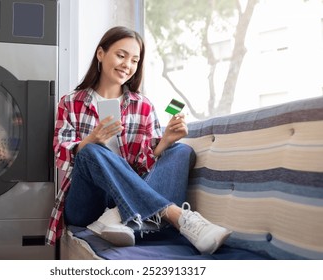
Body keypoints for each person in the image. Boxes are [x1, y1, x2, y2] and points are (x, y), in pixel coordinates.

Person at [46, 26, 231, 254]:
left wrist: (164, 142)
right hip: (87, 203)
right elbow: (60, 155)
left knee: (182, 151)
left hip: (125, 196)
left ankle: (116, 218)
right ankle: (178, 216)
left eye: (134, 60)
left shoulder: (142, 105)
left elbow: (143, 168)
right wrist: (91, 140)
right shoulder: (71, 101)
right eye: (121, 55)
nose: (127, 65)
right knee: (90, 152)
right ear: (101, 54)